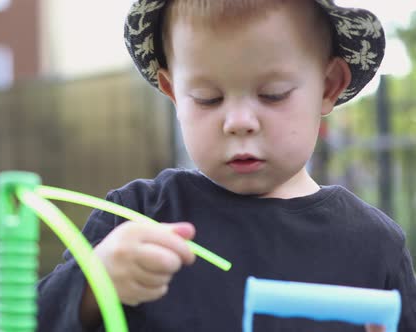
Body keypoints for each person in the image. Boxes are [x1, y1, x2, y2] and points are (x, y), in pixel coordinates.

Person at [37, 0, 416, 331]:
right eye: (207, 98)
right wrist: (92, 283)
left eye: (273, 94)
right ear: (173, 93)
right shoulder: (138, 218)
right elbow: (30, 321)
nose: (238, 121)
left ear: (329, 85)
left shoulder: (373, 246)